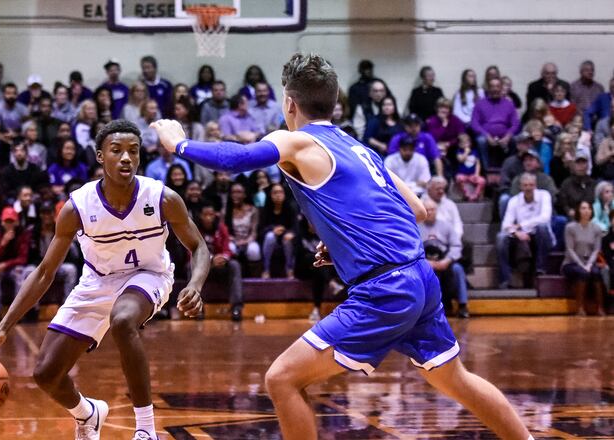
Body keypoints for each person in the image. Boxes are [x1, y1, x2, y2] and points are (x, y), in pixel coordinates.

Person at [151, 52, 531, 439]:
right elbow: (415, 209)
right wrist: (343, 244)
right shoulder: (359, 147)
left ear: (289, 102)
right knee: (454, 378)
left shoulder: (297, 141)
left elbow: (239, 159)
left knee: (282, 380)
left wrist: (178, 144)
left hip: (385, 290)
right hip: (419, 276)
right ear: (334, 102)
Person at [0, 120, 210, 440]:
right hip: (97, 282)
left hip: (149, 275)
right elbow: (43, 272)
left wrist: (194, 285)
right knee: (46, 374)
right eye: (117, 150)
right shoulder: (77, 207)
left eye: (133, 152)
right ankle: (88, 414)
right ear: (100, 156)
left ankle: (146, 430)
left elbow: (199, 247)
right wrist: (3, 328)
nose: (126, 158)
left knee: (123, 320)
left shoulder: (162, 198)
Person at [497, 173, 553, 288]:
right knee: (501, 237)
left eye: (531, 185)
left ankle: (540, 270)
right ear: (521, 187)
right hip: (520, 236)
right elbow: (505, 225)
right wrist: (516, 233)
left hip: (540, 236)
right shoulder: (514, 201)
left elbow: (545, 218)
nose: (528, 188)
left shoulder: (544, 195)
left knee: (541, 227)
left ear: (535, 185)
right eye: (525, 185)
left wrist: (521, 225)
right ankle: (505, 279)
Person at [419, 199, 469, 318]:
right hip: (423, 263)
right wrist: (426, 263)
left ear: (437, 210)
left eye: (432, 210)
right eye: (427, 210)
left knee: (458, 269)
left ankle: (463, 305)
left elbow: (456, 246)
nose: (430, 212)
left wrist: (447, 260)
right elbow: (411, 249)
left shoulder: (446, 226)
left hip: (445, 261)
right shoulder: (415, 227)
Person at [195, 203, 244, 321]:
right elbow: (191, 251)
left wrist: (224, 257)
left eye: (211, 215)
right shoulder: (194, 229)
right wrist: (210, 260)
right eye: (205, 215)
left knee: (235, 265)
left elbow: (227, 248)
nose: (208, 218)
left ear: (215, 216)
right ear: (200, 216)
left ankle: (236, 307)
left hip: (220, 265)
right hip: (202, 266)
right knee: (189, 267)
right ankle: (197, 307)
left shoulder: (221, 227)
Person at [561, 200, 605, 316]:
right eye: (583, 208)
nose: (586, 211)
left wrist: (589, 264)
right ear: (578, 211)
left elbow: (596, 249)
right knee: (582, 273)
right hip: (571, 263)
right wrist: (582, 265)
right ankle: (580, 308)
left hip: (589, 262)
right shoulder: (570, 227)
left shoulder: (596, 229)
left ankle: (600, 308)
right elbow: (570, 249)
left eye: (589, 209)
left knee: (596, 273)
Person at [471, 77, 520, 170]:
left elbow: (515, 123)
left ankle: (509, 169)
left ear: (501, 88)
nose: (495, 89)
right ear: (488, 89)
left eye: (497, 86)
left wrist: (508, 136)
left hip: (505, 136)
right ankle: (487, 171)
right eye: (492, 86)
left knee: (515, 140)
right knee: (481, 141)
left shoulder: (509, 104)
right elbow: (474, 123)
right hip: (486, 136)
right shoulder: (480, 104)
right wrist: (486, 135)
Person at [224, 182, 261, 266]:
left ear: (244, 195)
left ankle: (254, 277)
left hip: (248, 240)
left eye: (239, 192)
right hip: (232, 240)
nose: (235, 195)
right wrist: (233, 240)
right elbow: (224, 232)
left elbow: (254, 232)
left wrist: (245, 241)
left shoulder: (253, 210)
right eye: (233, 192)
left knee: (254, 250)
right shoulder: (226, 211)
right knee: (231, 248)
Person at [454, 134, 486, 202]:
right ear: (460, 145)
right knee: (458, 179)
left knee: (482, 181)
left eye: (467, 142)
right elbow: (461, 159)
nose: (466, 145)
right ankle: (467, 194)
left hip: (472, 175)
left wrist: (477, 174)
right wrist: (466, 152)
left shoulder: (475, 152)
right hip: (462, 174)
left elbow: (478, 164)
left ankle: (475, 195)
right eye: (463, 143)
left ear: (470, 143)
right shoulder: (459, 152)